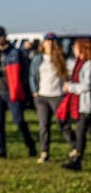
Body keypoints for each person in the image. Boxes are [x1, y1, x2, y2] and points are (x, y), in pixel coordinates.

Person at [0, 26, 37, 159]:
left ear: (4, 37)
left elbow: (25, 74)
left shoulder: (16, 53)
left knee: (19, 121)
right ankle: (0, 150)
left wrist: (27, 93)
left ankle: (31, 145)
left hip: (13, 93)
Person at [29, 34, 70, 162]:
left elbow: (66, 75)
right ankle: (44, 152)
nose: (50, 43)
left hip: (57, 95)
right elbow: (32, 75)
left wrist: (66, 85)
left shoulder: (61, 58)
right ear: (43, 43)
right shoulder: (38, 58)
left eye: (52, 41)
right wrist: (34, 90)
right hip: (42, 96)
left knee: (63, 123)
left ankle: (75, 147)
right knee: (43, 126)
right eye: (47, 41)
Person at [60, 38, 91, 171]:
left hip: (87, 105)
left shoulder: (88, 65)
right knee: (81, 132)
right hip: (83, 104)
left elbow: (87, 85)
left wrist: (70, 87)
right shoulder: (80, 63)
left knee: (80, 132)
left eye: (76, 47)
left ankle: (77, 160)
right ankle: (76, 159)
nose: (74, 49)